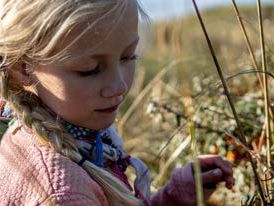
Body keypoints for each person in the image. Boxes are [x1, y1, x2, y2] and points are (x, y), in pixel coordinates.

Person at [0, 0, 234, 205]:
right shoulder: (62, 192)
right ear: (24, 68)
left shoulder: (75, 138)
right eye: (89, 70)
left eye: (128, 56)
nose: (119, 86)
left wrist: (174, 197)